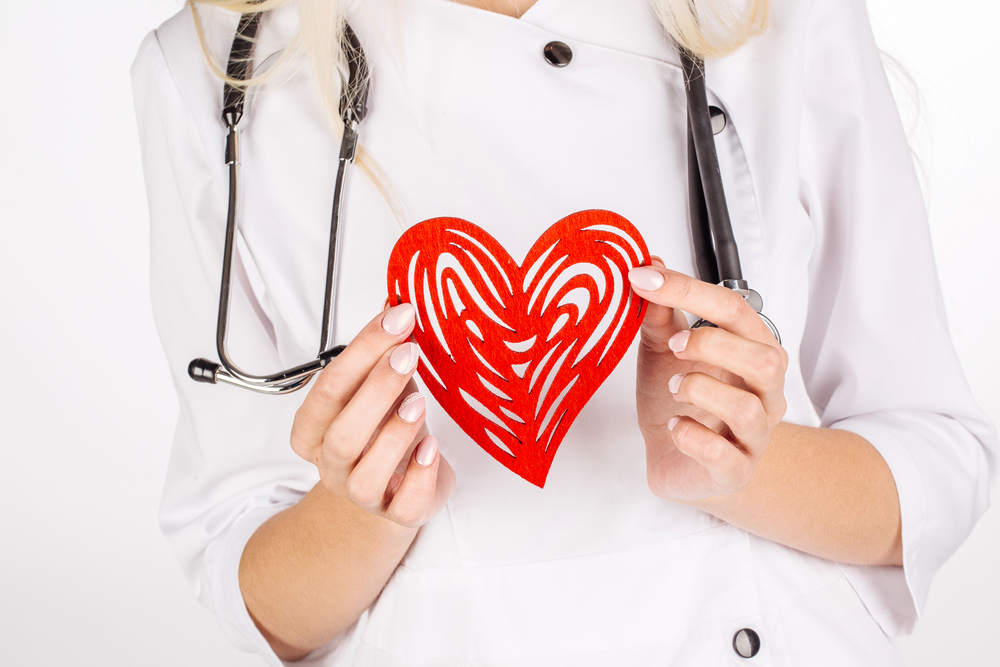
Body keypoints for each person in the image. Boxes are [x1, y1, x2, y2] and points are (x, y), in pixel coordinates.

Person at [132, 0, 997, 664]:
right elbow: (251, 589)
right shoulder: (210, 69)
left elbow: (937, 463)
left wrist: (738, 465)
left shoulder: (773, 15)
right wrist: (359, 516)